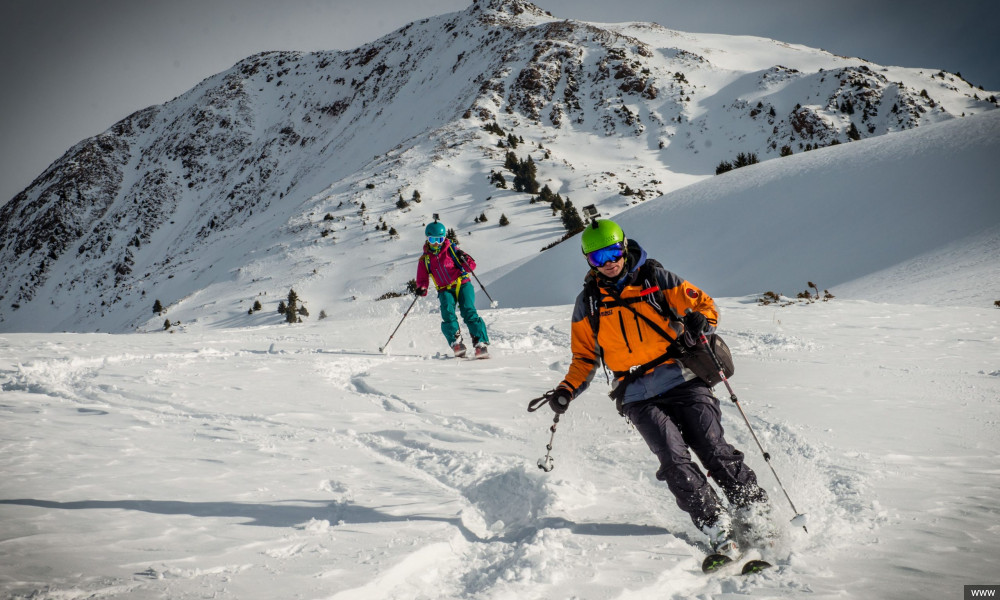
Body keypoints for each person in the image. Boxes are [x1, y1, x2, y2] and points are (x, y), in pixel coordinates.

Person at [533, 219, 770, 558]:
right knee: (673, 459)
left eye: (613, 252)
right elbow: (584, 356)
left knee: (711, 446)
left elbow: (705, 306)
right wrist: (567, 389)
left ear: (624, 247)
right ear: (589, 261)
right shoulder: (588, 303)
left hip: (682, 378)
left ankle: (754, 512)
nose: (609, 263)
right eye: (598, 258)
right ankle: (716, 525)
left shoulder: (657, 279)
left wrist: (701, 321)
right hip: (635, 394)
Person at [415, 221, 490, 358]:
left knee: (468, 310)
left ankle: (480, 343)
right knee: (448, 314)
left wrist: (465, 259)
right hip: (444, 290)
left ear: (444, 239)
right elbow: (422, 279)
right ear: (427, 239)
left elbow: (471, 266)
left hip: (462, 284)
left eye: (439, 239)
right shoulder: (425, 259)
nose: (436, 243)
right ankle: (456, 343)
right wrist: (422, 288)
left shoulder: (452, 250)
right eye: (433, 240)